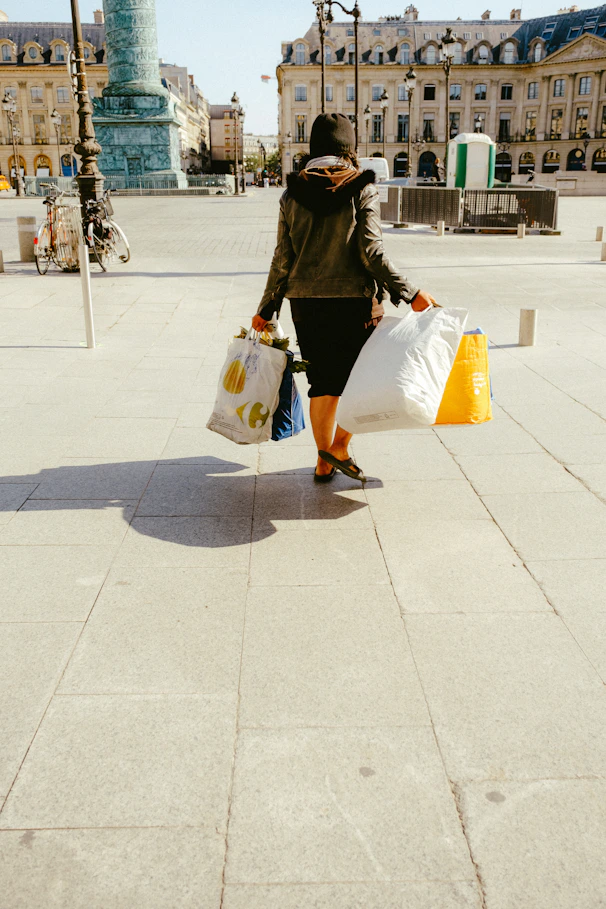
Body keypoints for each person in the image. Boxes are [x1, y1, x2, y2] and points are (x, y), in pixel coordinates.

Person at [252, 113, 436, 483]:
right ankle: (338, 447)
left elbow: (282, 259)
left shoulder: (291, 194)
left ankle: (323, 462)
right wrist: (410, 292)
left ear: (313, 149)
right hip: (355, 301)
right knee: (360, 377)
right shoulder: (362, 188)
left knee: (322, 381)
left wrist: (266, 308)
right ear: (349, 150)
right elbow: (371, 252)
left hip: (306, 303)